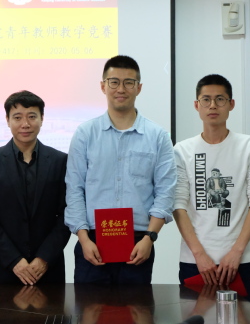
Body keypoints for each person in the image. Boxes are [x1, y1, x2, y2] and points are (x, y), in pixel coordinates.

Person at [64, 55, 176, 284]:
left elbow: (166, 191)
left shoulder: (158, 136)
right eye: (114, 82)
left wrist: (150, 237)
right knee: (88, 307)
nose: (121, 89)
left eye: (129, 82)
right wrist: (84, 240)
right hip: (92, 243)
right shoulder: (85, 134)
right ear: (103, 86)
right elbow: (74, 189)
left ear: (139, 88)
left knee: (136, 307)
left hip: (139, 243)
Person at [173, 74, 250, 303]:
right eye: (206, 99)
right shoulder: (182, 150)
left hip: (238, 262)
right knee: (195, 321)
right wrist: (199, 254)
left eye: (220, 99)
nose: (213, 105)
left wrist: (236, 252)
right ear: (197, 105)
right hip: (195, 261)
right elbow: (178, 205)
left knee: (240, 321)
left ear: (231, 104)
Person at [0, 90, 70, 285]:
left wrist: (43, 258)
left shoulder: (60, 161)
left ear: (42, 119)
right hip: (3, 268)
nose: (25, 124)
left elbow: (67, 213)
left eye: (32, 117)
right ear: (7, 120)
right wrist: (14, 260)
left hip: (47, 268)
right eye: (17, 117)